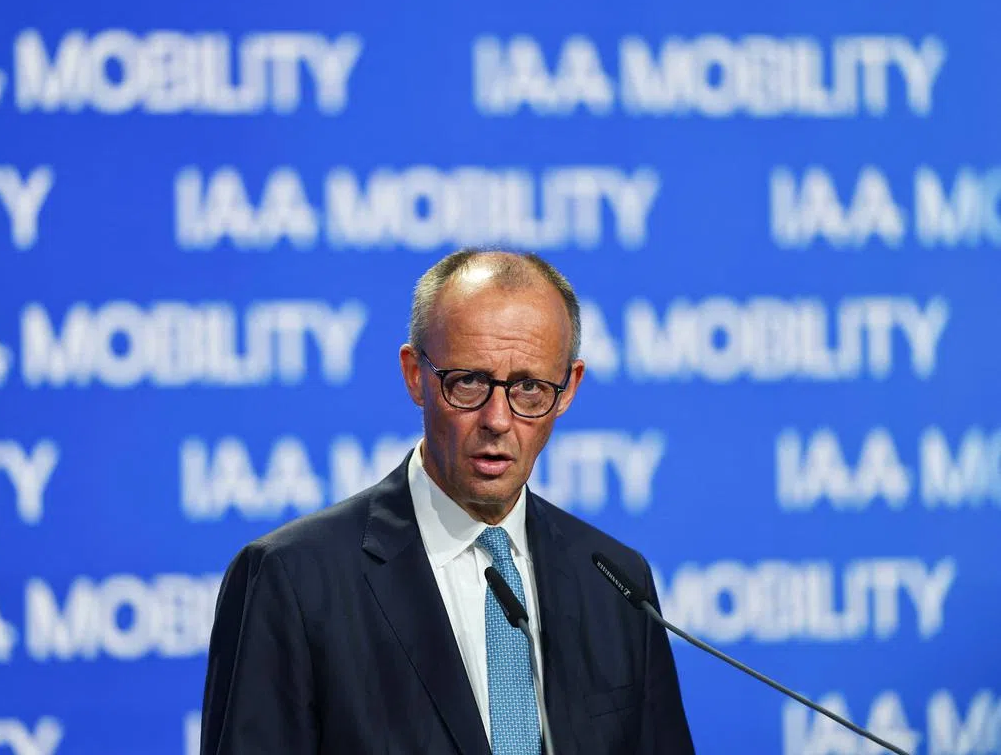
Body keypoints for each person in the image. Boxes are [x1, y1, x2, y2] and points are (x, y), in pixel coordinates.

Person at [200, 249, 695, 754]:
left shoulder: (615, 583)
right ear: (416, 375)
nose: (498, 420)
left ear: (568, 389)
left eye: (528, 388)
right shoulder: (293, 580)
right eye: (470, 382)